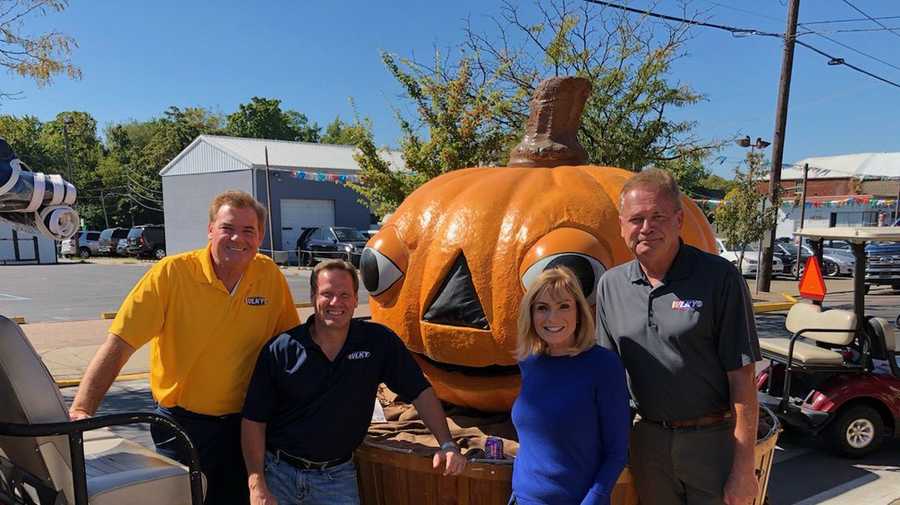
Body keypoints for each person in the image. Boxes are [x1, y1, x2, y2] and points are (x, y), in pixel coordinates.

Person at [69, 190, 300, 505]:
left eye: (249, 231)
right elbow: (120, 344)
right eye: (227, 228)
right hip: (181, 428)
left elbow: (292, 348)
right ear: (209, 230)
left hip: (245, 427)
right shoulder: (170, 274)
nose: (238, 238)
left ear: (259, 236)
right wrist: (82, 410)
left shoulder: (269, 275)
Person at [595, 168, 761, 505]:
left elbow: (743, 380)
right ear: (621, 226)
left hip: (712, 444)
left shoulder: (719, 278)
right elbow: (607, 379)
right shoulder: (610, 286)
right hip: (648, 444)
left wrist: (744, 469)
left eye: (658, 216)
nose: (646, 228)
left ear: (679, 219)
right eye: (636, 218)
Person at [241, 259, 466, 505]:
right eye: (327, 294)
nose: (336, 303)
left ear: (355, 298)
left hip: (336, 479)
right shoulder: (281, 350)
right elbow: (254, 420)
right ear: (313, 295)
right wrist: (257, 484)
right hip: (279, 474)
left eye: (344, 295)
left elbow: (420, 392)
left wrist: (447, 444)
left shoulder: (378, 343)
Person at [510, 267, 630, 505]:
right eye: (542, 308)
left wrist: (593, 499)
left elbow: (616, 452)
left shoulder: (603, 365)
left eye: (563, 306)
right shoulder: (529, 362)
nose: (552, 318)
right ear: (531, 315)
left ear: (579, 311)